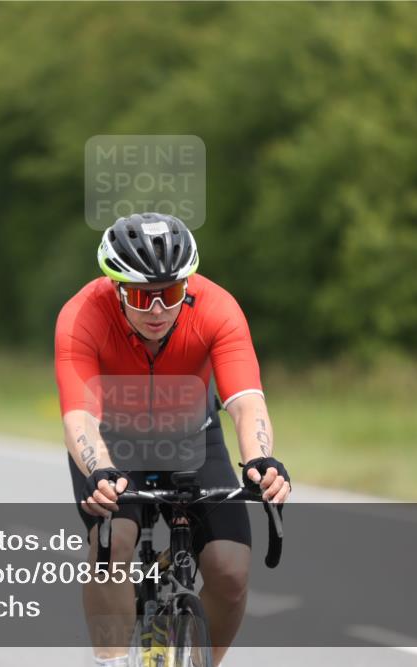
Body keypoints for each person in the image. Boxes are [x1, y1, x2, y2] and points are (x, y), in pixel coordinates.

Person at [55, 212, 291, 667]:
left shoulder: (218, 308)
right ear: (118, 287)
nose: (159, 310)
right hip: (111, 444)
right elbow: (79, 416)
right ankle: (112, 661)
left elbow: (245, 400)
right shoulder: (82, 314)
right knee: (115, 541)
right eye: (143, 297)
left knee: (229, 570)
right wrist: (100, 472)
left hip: (193, 439)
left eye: (173, 294)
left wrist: (261, 459)